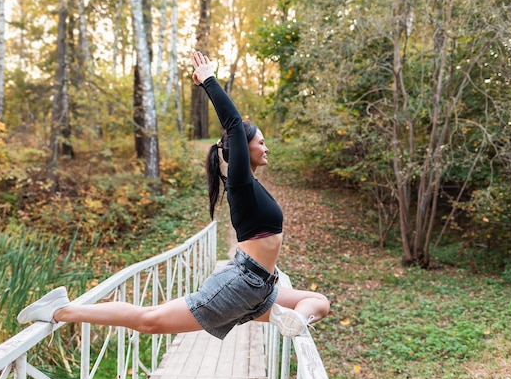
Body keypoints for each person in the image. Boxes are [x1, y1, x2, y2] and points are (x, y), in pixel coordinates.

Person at [17, 51, 330, 339]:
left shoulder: (252, 185)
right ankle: (61, 309)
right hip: (243, 283)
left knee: (318, 301)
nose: (266, 147)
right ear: (242, 147)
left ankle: (291, 320)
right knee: (150, 321)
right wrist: (208, 78)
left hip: (262, 285)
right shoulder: (240, 183)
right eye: (260, 142)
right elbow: (233, 123)